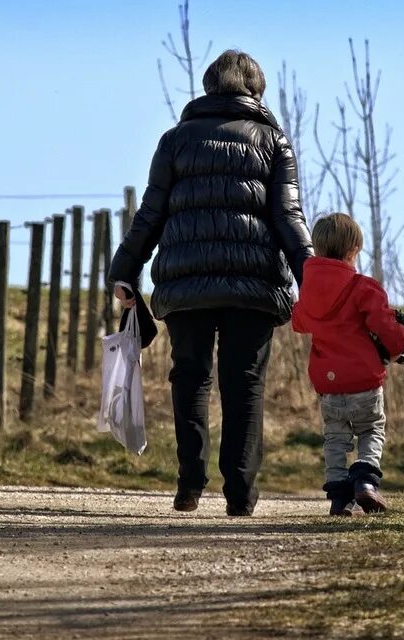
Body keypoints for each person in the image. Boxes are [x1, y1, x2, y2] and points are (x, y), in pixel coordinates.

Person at [107, 50, 313, 516]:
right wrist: (313, 275)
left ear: (208, 87)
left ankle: (190, 484)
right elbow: (287, 217)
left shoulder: (174, 141)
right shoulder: (273, 142)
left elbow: (151, 215)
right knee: (244, 385)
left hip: (188, 284)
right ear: (256, 91)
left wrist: (125, 271)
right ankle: (240, 495)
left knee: (191, 378)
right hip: (253, 287)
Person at [290, 213, 404, 516]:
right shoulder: (363, 287)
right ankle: (366, 482)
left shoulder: (309, 292)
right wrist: (402, 339)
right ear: (353, 251)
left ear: (316, 250)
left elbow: (299, 321)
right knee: (371, 429)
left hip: (329, 387)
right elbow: (385, 326)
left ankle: (339, 498)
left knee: (335, 438)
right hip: (364, 382)